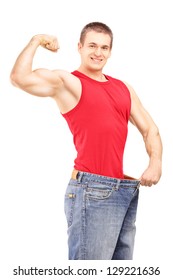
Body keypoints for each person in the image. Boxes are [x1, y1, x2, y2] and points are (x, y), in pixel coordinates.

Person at [10, 22, 162, 260]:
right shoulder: (68, 83)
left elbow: (150, 129)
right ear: (79, 47)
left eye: (104, 47)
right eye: (92, 45)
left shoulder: (123, 88)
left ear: (110, 51)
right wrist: (37, 40)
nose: (98, 53)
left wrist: (155, 162)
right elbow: (19, 78)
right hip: (91, 189)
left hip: (123, 190)